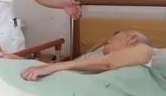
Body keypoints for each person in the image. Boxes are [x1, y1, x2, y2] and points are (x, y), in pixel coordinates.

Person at [21, 30, 154, 80]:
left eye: (113, 37)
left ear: (131, 39)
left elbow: (108, 63)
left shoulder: (144, 49)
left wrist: (53, 67)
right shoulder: (95, 59)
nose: (107, 40)